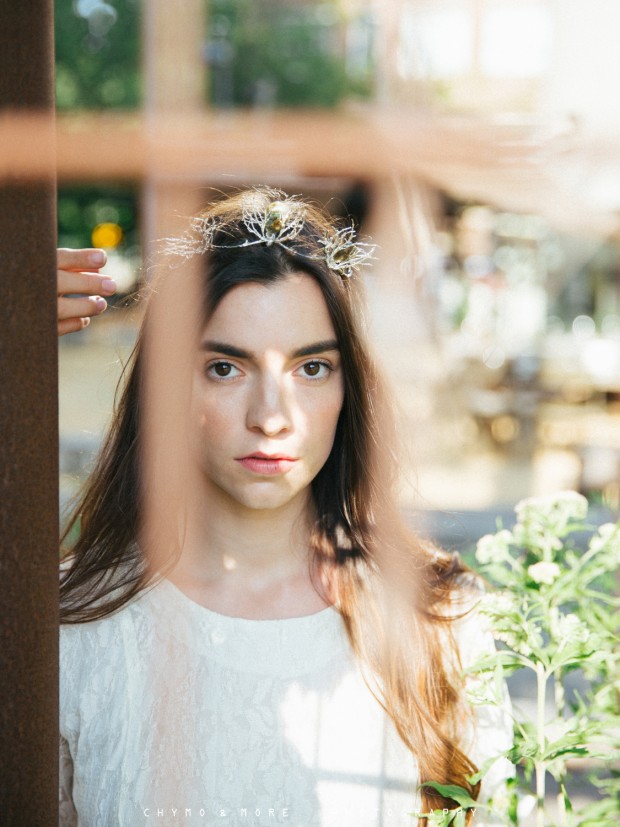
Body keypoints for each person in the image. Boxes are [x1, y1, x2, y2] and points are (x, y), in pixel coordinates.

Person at [58, 188, 513, 827]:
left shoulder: (439, 621)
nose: (271, 417)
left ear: (349, 387)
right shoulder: (71, 628)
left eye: (311, 369)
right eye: (225, 368)